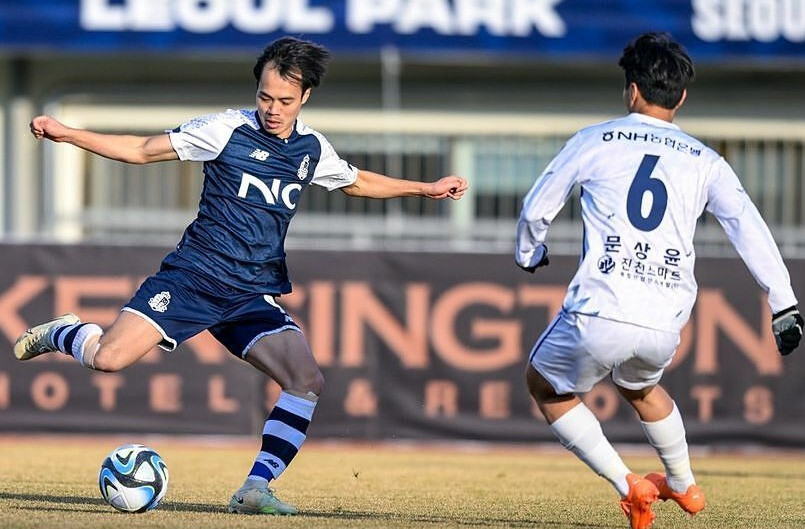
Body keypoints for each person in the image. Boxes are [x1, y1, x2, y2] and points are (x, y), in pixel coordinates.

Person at [15, 36, 468, 516]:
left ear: (306, 98)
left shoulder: (312, 148)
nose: (273, 109)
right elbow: (143, 150)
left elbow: (356, 182)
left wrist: (426, 188)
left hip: (251, 291)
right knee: (107, 359)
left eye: (285, 101)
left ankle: (255, 488)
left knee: (306, 380)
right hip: (193, 278)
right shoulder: (225, 130)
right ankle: (65, 331)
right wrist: (68, 134)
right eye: (265, 97)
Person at [515, 32, 801, 529]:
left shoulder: (594, 139)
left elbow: (537, 206)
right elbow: (748, 228)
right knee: (643, 389)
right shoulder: (705, 160)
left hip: (601, 306)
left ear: (631, 91)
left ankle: (630, 486)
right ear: (682, 97)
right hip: (664, 317)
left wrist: (528, 252)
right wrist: (784, 304)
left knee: (545, 386)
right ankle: (685, 484)